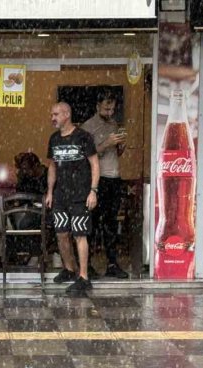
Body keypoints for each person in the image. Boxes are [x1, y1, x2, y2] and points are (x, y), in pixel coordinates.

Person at [45, 101, 99, 297]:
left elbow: (94, 164)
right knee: (61, 233)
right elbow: (52, 166)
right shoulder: (54, 139)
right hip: (60, 195)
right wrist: (50, 191)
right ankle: (69, 268)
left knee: (80, 234)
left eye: (56, 114)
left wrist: (93, 190)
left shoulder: (83, 137)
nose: (53, 118)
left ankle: (83, 277)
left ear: (67, 114)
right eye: (52, 114)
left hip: (80, 195)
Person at [82, 93, 129, 278]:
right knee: (92, 224)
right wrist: (106, 143)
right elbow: (88, 155)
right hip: (97, 179)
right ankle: (88, 266)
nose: (110, 112)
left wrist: (120, 146)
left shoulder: (114, 123)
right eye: (106, 109)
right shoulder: (88, 127)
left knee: (111, 224)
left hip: (114, 177)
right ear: (97, 106)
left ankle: (112, 263)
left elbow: (116, 153)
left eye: (112, 109)